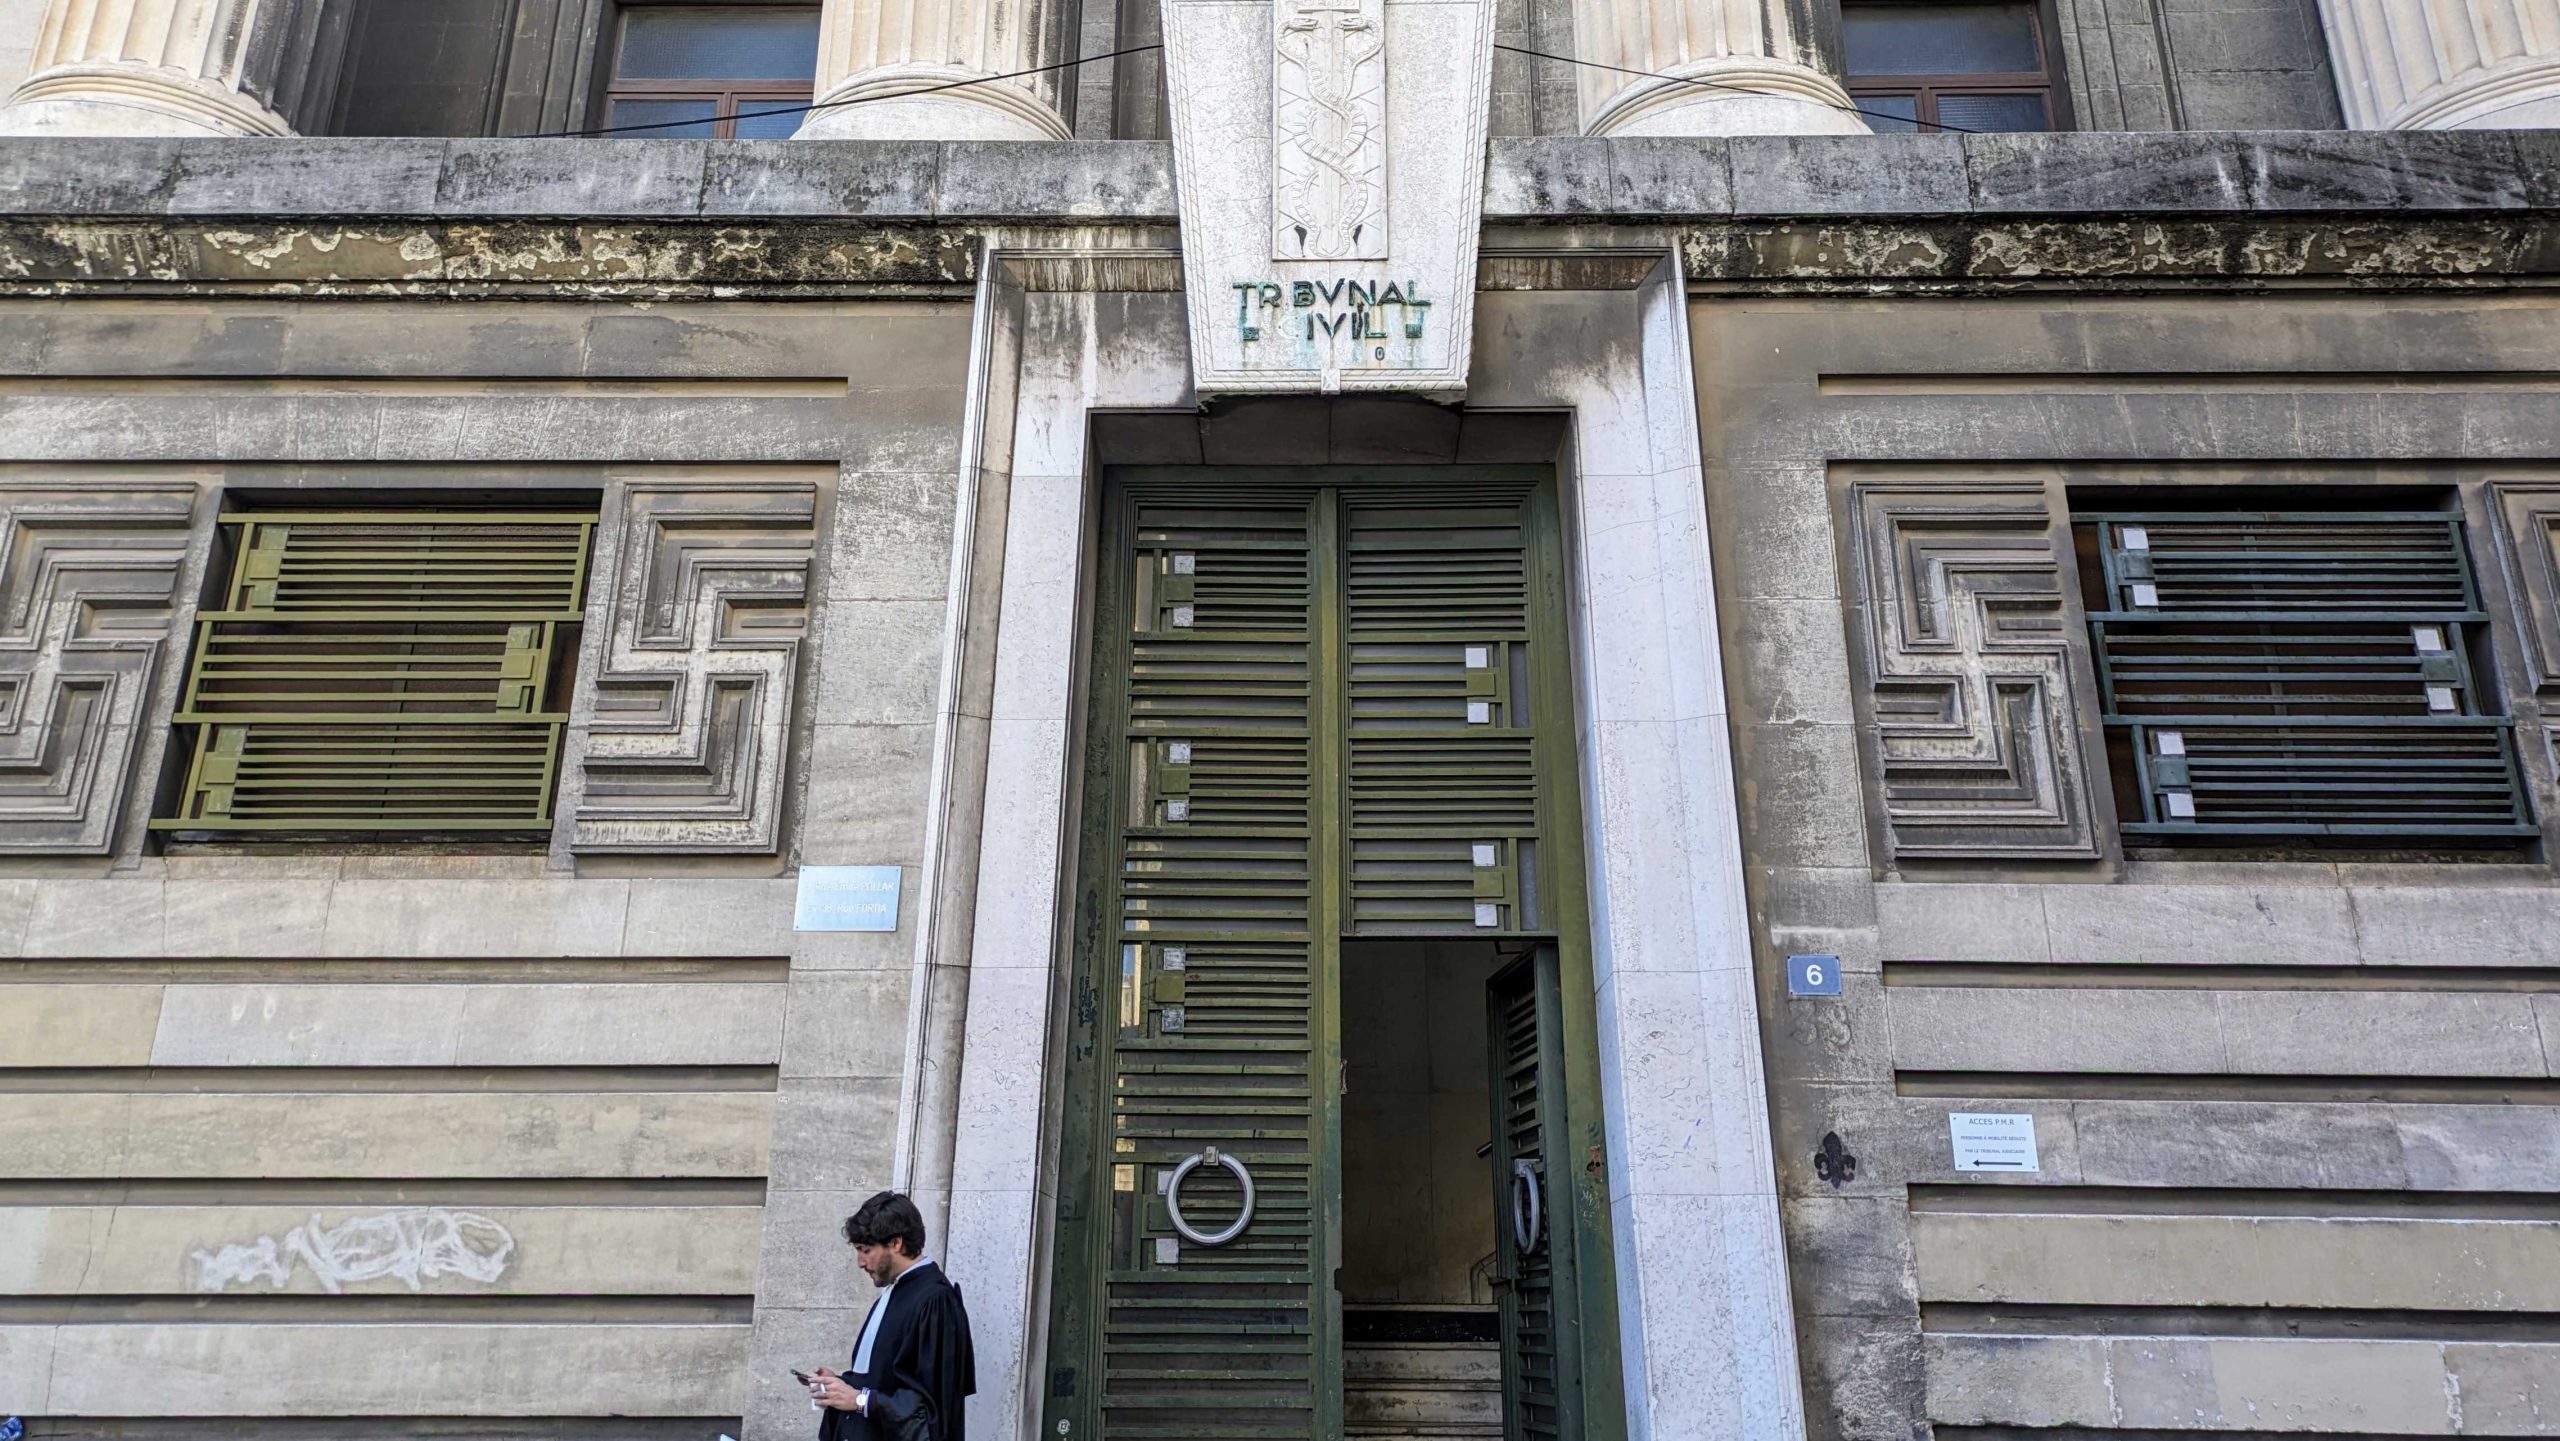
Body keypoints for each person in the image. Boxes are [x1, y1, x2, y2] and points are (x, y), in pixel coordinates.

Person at [809, 1192, 976, 1441]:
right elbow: (883, 1380)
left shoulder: (935, 1301)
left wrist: (858, 1399)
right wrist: (839, 1386)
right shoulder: (893, 1294)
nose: (860, 1263)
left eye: (865, 1250)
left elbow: (933, 1409)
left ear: (896, 1244)